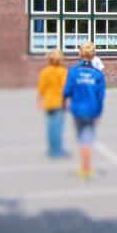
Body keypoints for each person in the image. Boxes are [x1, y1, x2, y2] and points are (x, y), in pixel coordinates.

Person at [63, 42, 106, 178]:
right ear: (93, 55)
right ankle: (86, 167)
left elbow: (66, 91)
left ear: (80, 53)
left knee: (82, 139)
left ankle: (85, 168)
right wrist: (99, 113)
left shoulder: (73, 71)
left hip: (77, 109)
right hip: (92, 109)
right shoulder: (98, 74)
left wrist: (65, 102)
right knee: (86, 138)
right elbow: (101, 96)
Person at [36, 49, 68, 158]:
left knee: (50, 127)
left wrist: (39, 101)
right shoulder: (63, 71)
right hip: (59, 102)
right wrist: (67, 101)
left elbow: (41, 88)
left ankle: (51, 150)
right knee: (58, 128)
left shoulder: (44, 71)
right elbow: (65, 88)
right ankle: (57, 150)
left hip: (48, 102)